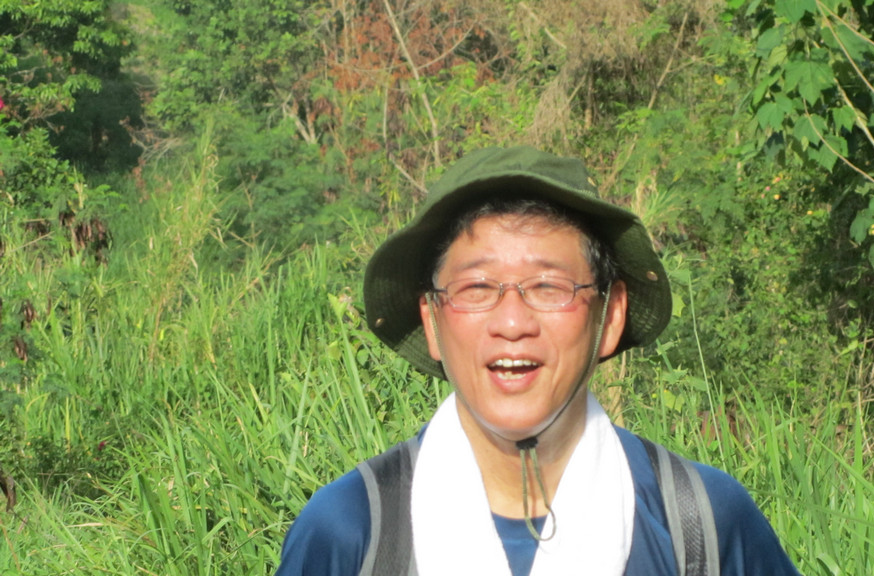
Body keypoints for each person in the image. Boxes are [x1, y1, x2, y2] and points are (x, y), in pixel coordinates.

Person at [277, 146, 801, 575]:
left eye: (549, 287)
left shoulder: (700, 525)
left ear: (610, 315)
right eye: (476, 288)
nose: (512, 322)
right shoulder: (354, 533)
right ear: (432, 320)